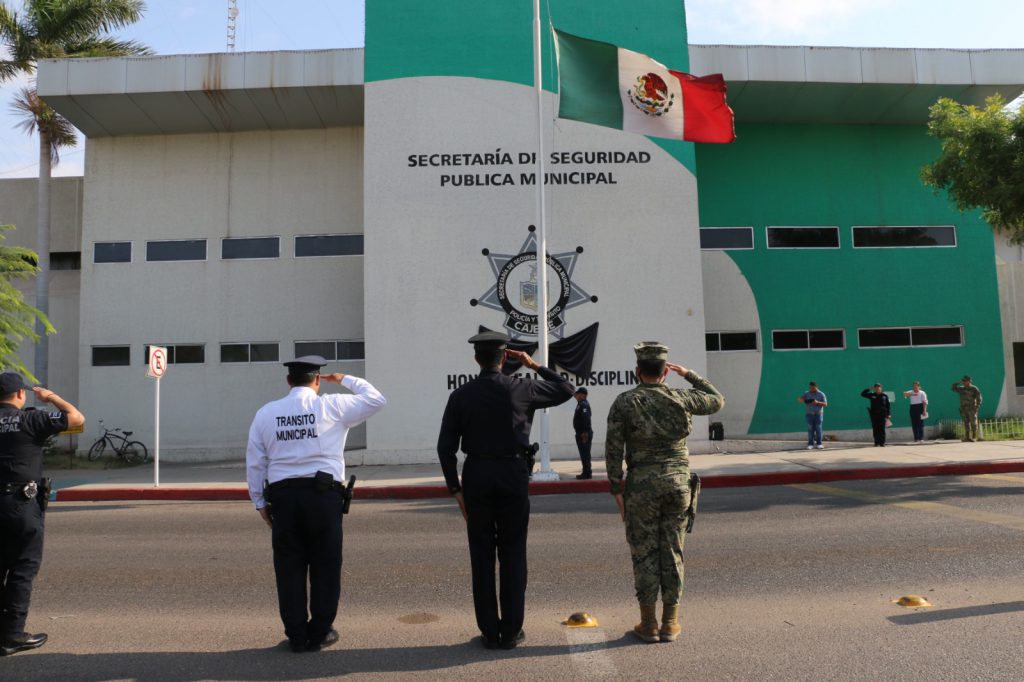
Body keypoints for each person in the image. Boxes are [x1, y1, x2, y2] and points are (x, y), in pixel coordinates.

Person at [436, 331, 574, 650]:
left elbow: (446, 448)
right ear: (505, 358)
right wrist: (534, 364)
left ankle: (489, 631)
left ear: (476, 359)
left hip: (477, 475)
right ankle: (510, 631)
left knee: (481, 555)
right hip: (512, 474)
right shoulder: (522, 388)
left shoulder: (461, 395)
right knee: (513, 553)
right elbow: (566, 389)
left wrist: (455, 488)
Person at [246, 355, 386, 653]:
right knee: (325, 565)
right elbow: (376, 399)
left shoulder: (266, 413)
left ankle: (296, 635)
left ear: (288, 381)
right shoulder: (332, 405)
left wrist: (259, 501)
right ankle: (320, 632)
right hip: (323, 498)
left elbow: (256, 462)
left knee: (289, 567)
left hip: (283, 498)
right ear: (318, 380)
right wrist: (344, 378)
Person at [605, 342, 724, 644]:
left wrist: (615, 487)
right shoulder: (681, 397)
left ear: (637, 371)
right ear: (665, 371)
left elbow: (613, 448)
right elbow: (717, 400)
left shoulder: (625, 402)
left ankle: (648, 624)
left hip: (642, 487)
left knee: (645, 554)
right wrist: (690, 375)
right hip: (677, 485)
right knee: (673, 551)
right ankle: (671, 623)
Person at [0, 372, 84, 656]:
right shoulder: (30, 419)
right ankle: (11, 635)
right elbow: (76, 418)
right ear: (21, 395)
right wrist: (51, 397)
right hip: (21, 505)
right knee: (22, 568)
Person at [951, 375, 983, 442]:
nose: (964, 382)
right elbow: (953, 388)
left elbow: (979, 398)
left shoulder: (974, 388)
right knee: (966, 423)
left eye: (965, 381)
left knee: (973, 422)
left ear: (969, 381)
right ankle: (967, 437)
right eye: (963, 381)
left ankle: (974, 436)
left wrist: (977, 407)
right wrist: (959, 382)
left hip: (972, 408)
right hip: (964, 409)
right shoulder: (962, 388)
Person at [798, 381, 827, 450]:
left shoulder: (821, 394)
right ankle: (810, 444)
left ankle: (819, 444)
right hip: (809, 414)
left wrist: (817, 402)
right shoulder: (806, 393)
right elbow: (800, 399)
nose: (811, 389)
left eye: (813, 388)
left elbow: (825, 404)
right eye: (810, 388)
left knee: (818, 429)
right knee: (810, 429)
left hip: (818, 414)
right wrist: (801, 399)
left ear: (816, 387)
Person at [572, 387, 593, 480]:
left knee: (585, 453)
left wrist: (584, 433)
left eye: (578, 394)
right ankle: (586, 472)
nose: (576, 396)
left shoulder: (584, 405)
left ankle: (587, 473)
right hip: (580, 432)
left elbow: (586, 418)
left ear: (583, 395)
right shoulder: (580, 404)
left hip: (584, 433)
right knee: (583, 453)